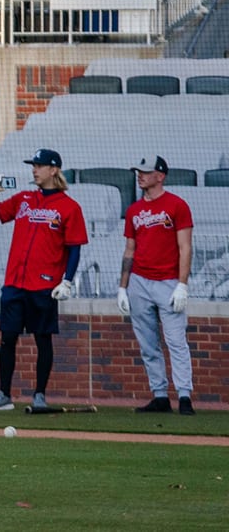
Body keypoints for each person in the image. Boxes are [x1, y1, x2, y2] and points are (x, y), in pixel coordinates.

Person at [0, 149, 87, 413]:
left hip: (44, 285)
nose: (34, 170)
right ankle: (3, 394)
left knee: (43, 340)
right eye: (33, 165)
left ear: (53, 170)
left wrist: (68, 281)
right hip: (15, 282)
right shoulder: (24, 199)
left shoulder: (69, 207)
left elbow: (74, 247)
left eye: (39, 166)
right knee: (7, 338)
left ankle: (39, 394)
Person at [116, 155, 195, 416]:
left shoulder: (177, 205)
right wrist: (123, 287)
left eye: (146, 172)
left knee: (176, 341)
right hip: (139, 281)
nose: (140, 175)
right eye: (139, 171)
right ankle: (160, 395)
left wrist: (182, 284)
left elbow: (185, 247)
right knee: (148, 344)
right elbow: (130, 249)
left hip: (168, 282)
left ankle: (184, 396)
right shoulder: (134, 210)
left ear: (160, 175)